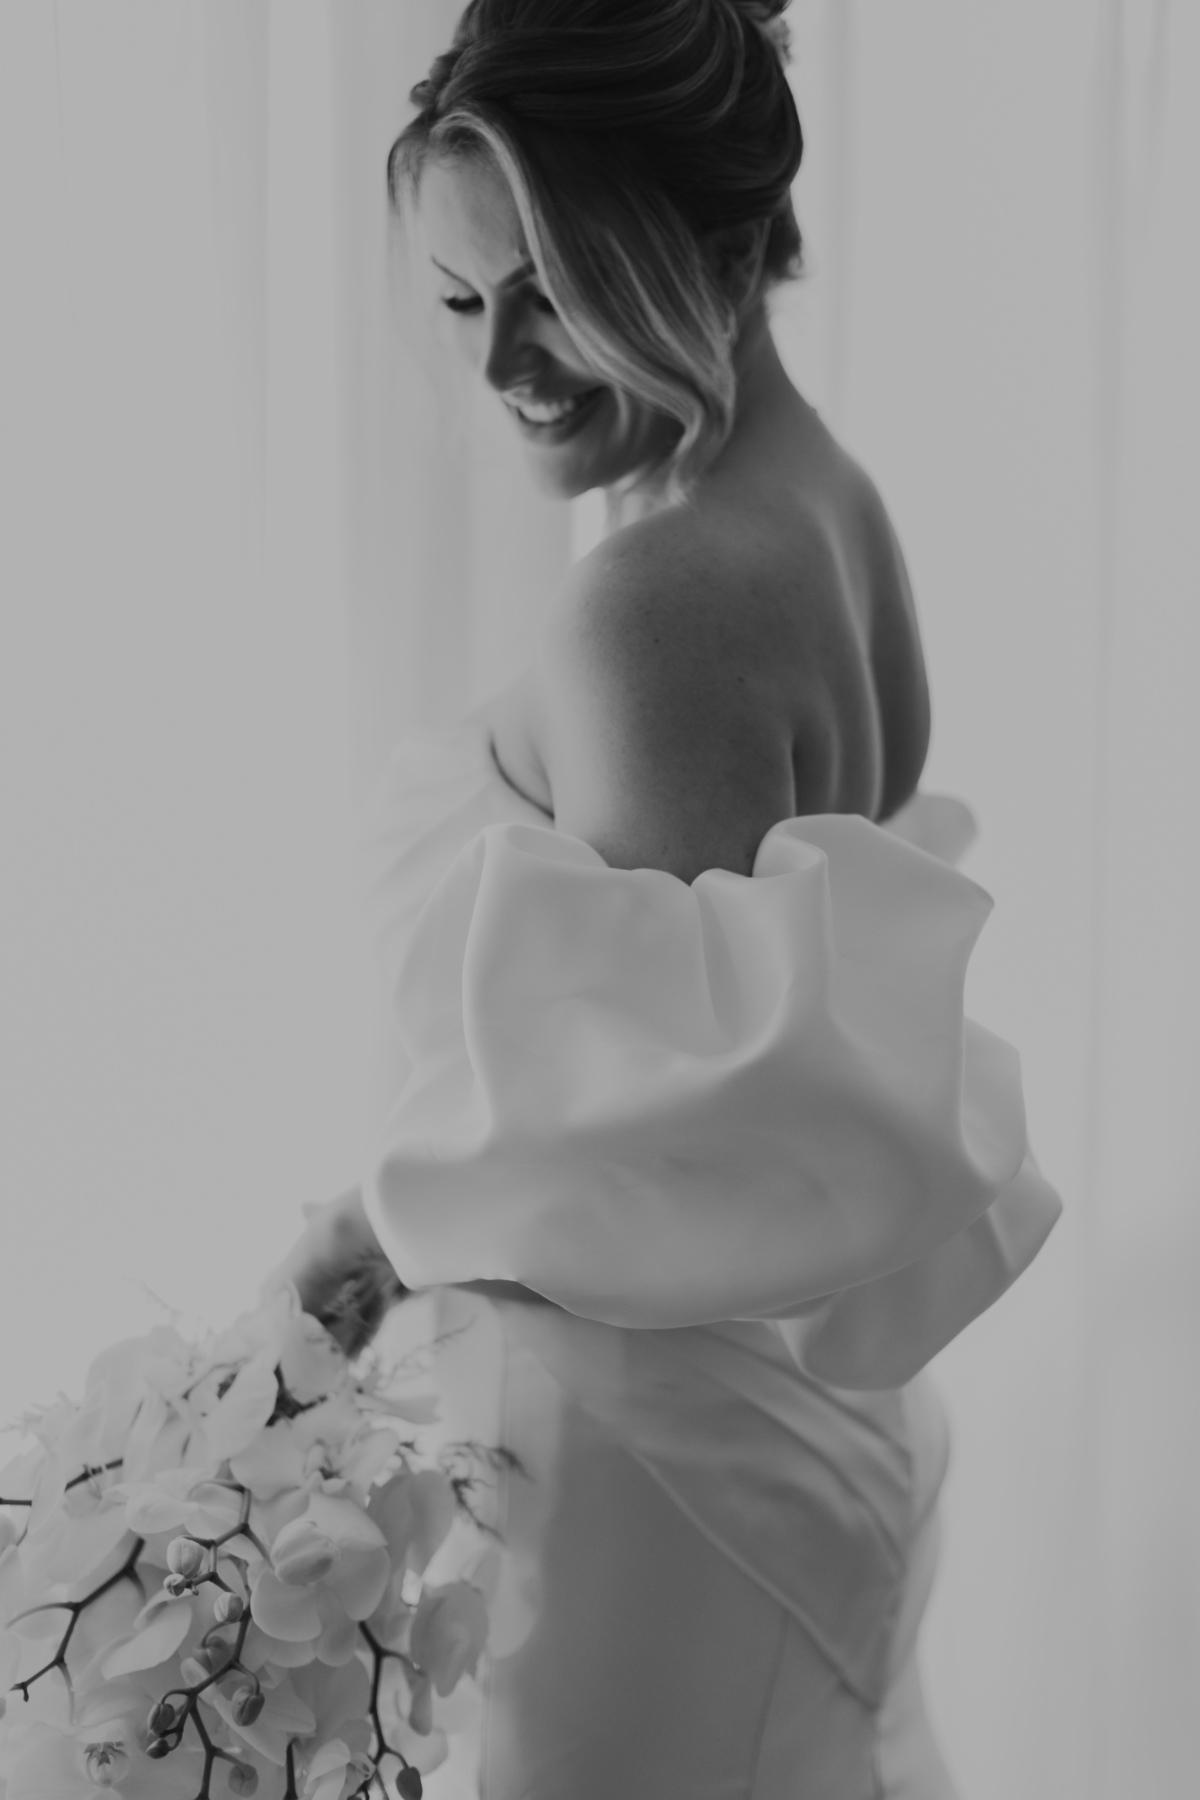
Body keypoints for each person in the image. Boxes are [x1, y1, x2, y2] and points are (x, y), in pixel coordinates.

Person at [272, 2, 1061, 1794]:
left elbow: (626, 1137)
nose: (503, 362)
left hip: (637, 1479)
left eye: (552, 288)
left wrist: (347, 1240)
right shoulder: (828, 506)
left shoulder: (660, 600)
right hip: (781, 1434)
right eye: (461, 299)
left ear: (705, 244)